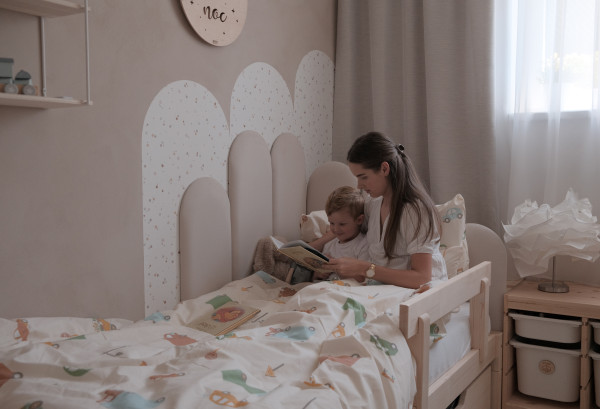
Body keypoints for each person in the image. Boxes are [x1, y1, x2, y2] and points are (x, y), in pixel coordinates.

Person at [323, 131, 447, 289]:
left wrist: (364, 268)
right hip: (383, 289)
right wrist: (312, 249)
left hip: (419, 294)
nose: (359, 185)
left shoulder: (415, 211)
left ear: (384, 169)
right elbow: (344, 225)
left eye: (363, 177)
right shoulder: (373, 206)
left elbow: (422, 277)